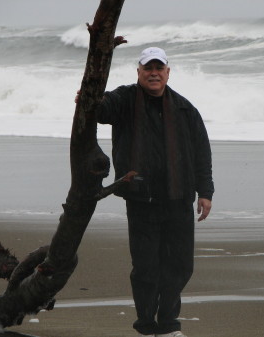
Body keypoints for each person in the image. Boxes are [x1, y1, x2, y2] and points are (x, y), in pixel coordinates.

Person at [87, 47, 214, 337]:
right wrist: (91, 96)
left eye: (159, 68)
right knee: (146, 268)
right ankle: (146, 327)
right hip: (141, 200)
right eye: (148, 68)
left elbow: (201, 153)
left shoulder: (184, 109)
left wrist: (205, 191)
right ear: (139, 72)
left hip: (179, 198)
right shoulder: (125, 99)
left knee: (181, 266)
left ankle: (168, 325)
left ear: (168, 72)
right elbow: (100, 110)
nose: (154, 73)